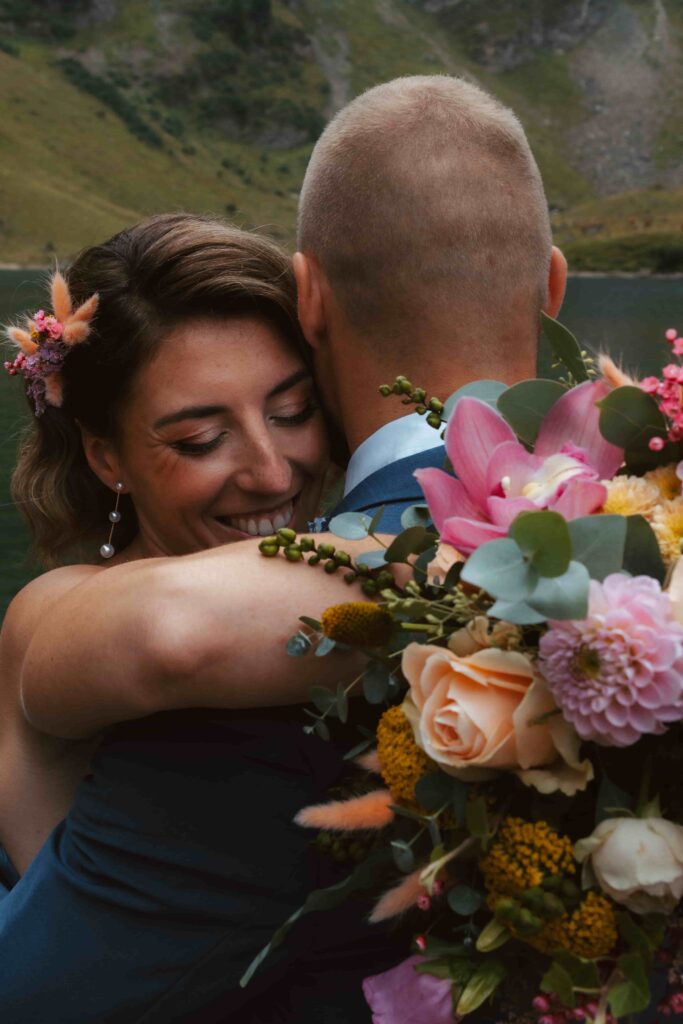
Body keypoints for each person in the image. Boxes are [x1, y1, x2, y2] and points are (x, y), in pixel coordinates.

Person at [0, 75, 567, 1022]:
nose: (269, 471)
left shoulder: (260, 660)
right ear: (552, 284)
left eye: (293, 409)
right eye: (196, 438)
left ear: (311, 308)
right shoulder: (625, 540)